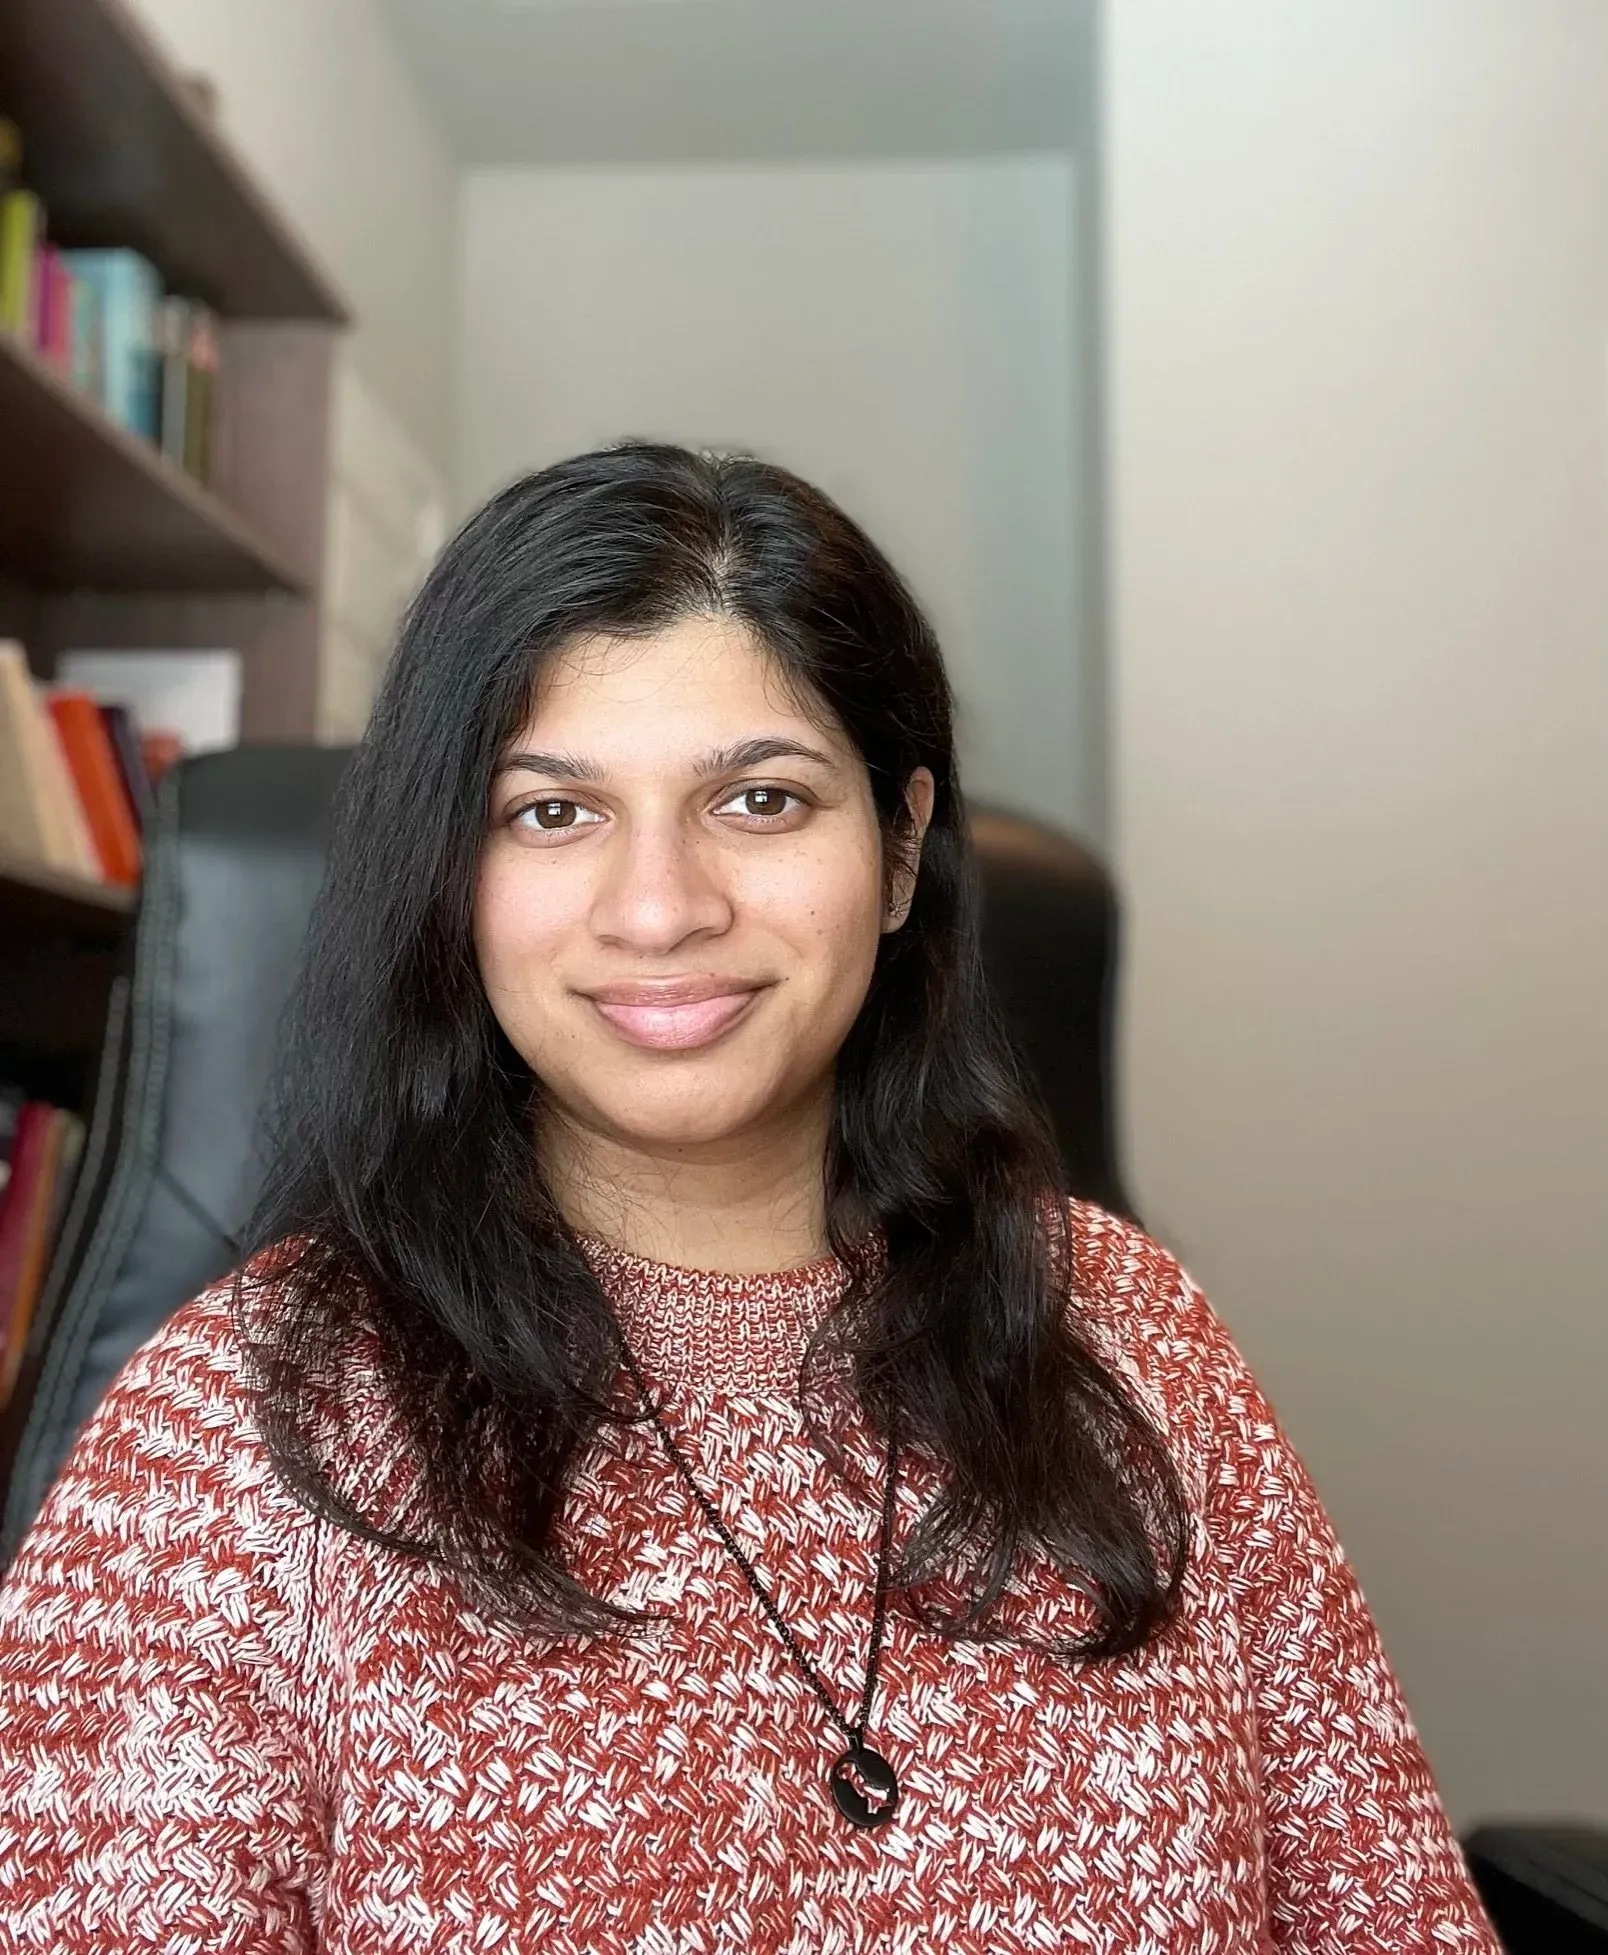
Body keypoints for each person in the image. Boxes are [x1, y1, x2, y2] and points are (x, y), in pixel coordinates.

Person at [0, 443, 1498, 1952]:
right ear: (450, 876)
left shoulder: (1127, 1330)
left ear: (901, 848)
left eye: (762, 799)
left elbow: (1394, 1912)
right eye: (552, 813)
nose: (662, 907)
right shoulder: (239, 1420)